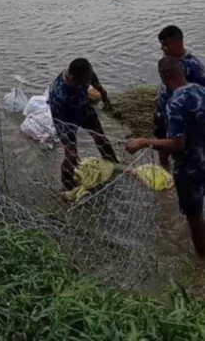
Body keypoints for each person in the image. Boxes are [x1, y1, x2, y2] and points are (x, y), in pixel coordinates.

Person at [126, 57, 205, 257]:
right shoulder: (199, 89)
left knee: (194, 217)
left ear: (163, 77)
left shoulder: (174, 104)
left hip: (191, 167)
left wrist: (144, 142)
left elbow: (178, 144)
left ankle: (201, 262)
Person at [48, 58, 118, 189]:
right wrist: (69, 144)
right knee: (71, 154)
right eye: (85, 81)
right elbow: (60, 122)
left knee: (100, 137)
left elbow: (93, 79)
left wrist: (103, 94)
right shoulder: (60, 94)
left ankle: (114, 163)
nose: (88, 81)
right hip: (66, 119)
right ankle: (68, 187)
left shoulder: (85, 72)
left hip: (84, 108)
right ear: (74, 79)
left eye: (88, 78)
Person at [155, 25, 205, 140]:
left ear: (178, 43)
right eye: (161, 45)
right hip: (164, 116)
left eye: (165, 45)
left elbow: (199, 98)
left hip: (178, 122)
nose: (162, 48)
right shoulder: (172, 61)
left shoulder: (192, 67)